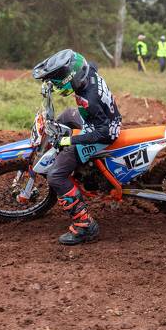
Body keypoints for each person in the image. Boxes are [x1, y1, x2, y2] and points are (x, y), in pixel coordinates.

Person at [31, 49, 122, 246]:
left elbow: (104, 133)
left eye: (58, 83)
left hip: (103, 134)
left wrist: (69, 141)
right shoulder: (88, 72)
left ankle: (85, 226)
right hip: (95, 121)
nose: (57, 87)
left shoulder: (90, 100)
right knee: (65, 115)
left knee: (56, 176)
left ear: (71, 78)